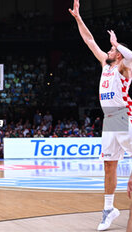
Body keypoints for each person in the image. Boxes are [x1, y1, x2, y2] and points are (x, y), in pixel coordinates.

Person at [70, 0, 132, 230]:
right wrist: (78, 17)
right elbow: (89, 40)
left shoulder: (125, 67)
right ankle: (108, 209)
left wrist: (117, 43)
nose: (109, 49)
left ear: (119, 53)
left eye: (113, 49)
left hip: (123, 116)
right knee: (109, 165)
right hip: (109, 120)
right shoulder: (105, 65)